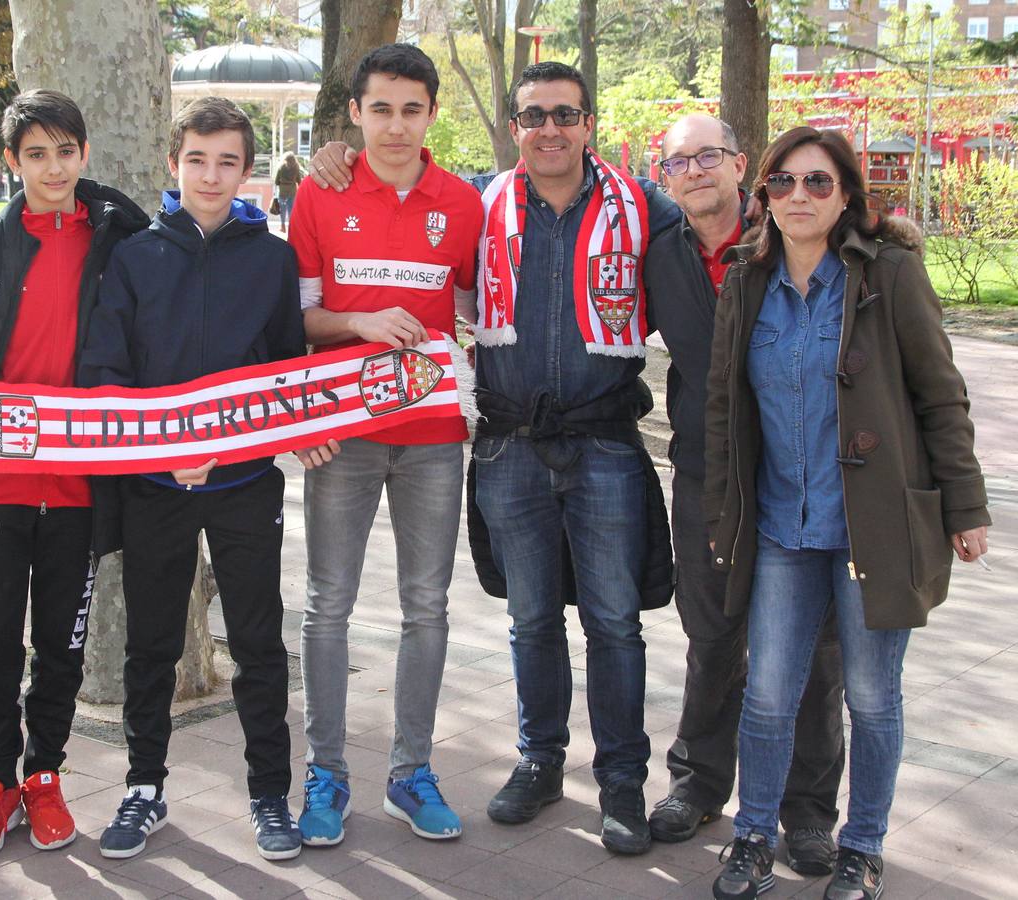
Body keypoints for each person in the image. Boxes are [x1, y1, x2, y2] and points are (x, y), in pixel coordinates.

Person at [705, 127, 990, 900]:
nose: (798, 197)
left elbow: (941, 396)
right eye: (783, 183)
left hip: (873, 527)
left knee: (870, 696)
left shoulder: (888, 275)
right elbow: (724, 408)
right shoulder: (744, 280)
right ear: (761, 195)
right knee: (767, 693)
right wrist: (719, 512)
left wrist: (965, 506)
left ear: (845, 195)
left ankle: (861, 847)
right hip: (778, 530)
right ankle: (752, 836)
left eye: (818, 183)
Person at [76, 96, 308, 863]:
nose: (212, 175)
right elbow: (106, 373)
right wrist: (158, 452)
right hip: (156, 487)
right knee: (150, 644)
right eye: (197, 159)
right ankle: (143, 787)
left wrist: (275, 435)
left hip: (244, 484)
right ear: (172, 165)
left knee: (257, 641)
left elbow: (281, 371)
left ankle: (269, 794)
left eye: (228, 161)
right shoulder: (135, 256)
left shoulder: (271, 257)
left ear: (248, 171)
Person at [465, 61, 680, 856]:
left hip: (605, 445)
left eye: (564, 114)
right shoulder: (477, 206)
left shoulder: (644, 207)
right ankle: (539, 760)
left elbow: (713, 245)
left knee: (614, 623)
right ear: (513, 125)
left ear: (588, 122)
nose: (548, 129)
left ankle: (621, 780)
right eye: (532, 116)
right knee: (529, 621)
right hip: (509, 443)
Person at [287, 43, 483, 846]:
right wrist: (356, 324)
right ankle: (325, 774)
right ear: (356, 114)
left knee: (425, 609)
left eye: (411, 109)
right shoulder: (320, 191)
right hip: (341, 437)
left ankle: (410, 772)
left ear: (431, 114)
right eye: (380, 109)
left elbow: (478, 313)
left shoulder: (465, 204)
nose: (395, 125)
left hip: (434, 439)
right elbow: (294, 321)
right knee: (326, 606)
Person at [644, 114, 846, 876]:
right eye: (677, 162)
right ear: (663, 177)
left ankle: (806, 813)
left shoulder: (791, 236)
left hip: (803, 476)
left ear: (739, 167)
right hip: (707, 473)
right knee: (713, 635)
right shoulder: (659, 255)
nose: (693, 171)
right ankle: (698, 784)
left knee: (814, 653)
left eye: (708, 157)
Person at [0, 89, 149, 858]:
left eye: (66, 151)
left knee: (60, 647)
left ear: (84, 156)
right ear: (11, 162)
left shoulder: (116, 240)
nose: (54, 166)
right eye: (36, 153)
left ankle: (44, 776)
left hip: (77, 487)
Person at [273, 151, 304, 231]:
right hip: (292, 192)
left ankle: (282, 226)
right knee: (291, 210)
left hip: (282, 192)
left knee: (282, 210)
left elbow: (276, 181)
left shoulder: (281, 167)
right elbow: (299, 181)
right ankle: (291, 227)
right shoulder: (296, 167)